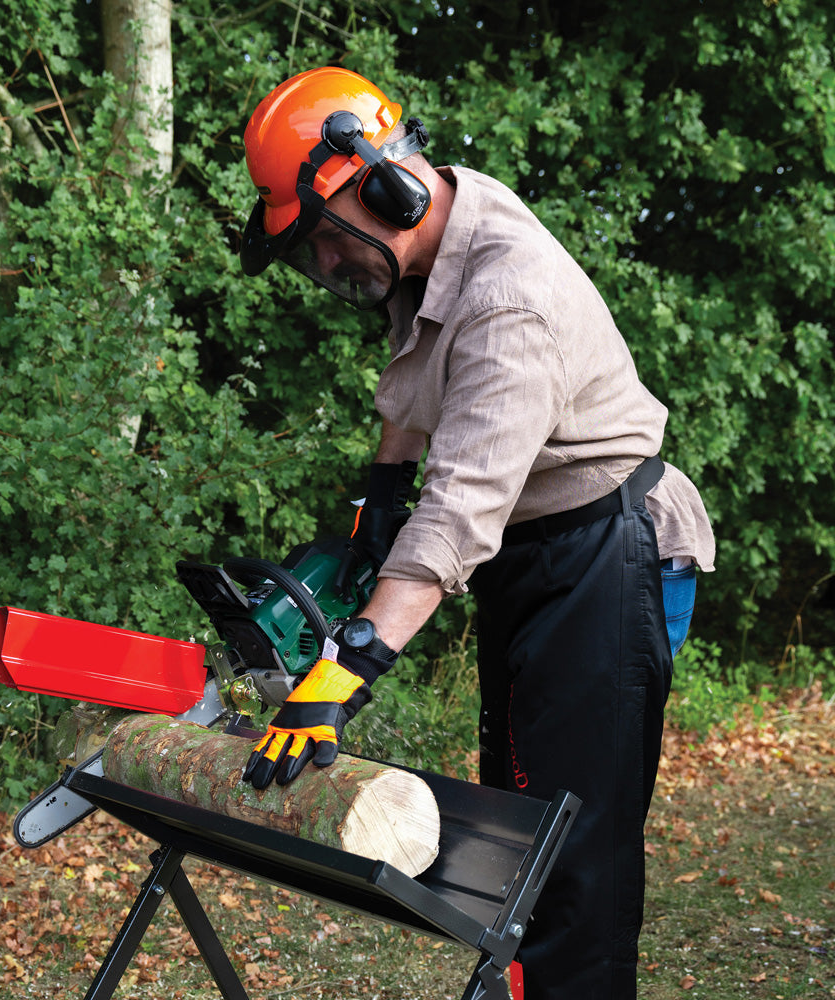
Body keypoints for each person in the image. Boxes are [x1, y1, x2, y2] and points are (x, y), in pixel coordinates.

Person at [237, 66, 715, 1000]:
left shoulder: (509, 298)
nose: (328, 271)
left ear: (386, 187)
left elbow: (459, 513)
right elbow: (416, 387)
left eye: (324, 246)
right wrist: (380, 495)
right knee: (516, 820)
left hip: (608, 551)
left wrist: (351, 662)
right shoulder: (428, 256)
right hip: (535, 551)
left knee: (573, 850)